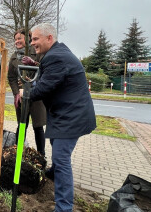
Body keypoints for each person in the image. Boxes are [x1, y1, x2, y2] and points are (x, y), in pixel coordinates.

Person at [25, 23, 96, 212]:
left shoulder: (56, 57)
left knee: (61, 157)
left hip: (71, 116)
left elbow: (43, 87)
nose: (32, 43)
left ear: (49, 38)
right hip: (66, 113)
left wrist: (25, 95)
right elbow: (48, 74)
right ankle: (54, 174)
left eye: (35, 39)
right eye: (31, 39)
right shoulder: (56, 53)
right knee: (56, 144)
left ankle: (64, 207)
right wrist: (37, 67)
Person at [7, 29, 46, 157]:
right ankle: (18, 152)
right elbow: (11, 78)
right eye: (15, 39)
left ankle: (41, 155)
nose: (17, 41)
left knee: (38, 127)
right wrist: (16, 93)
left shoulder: (37, 52)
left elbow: (44, 69)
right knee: (21, 125)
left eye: (20, 38)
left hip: (36, 95)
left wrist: (34, 63)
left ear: (27, 39)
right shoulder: (13, 57)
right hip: (21, 97)